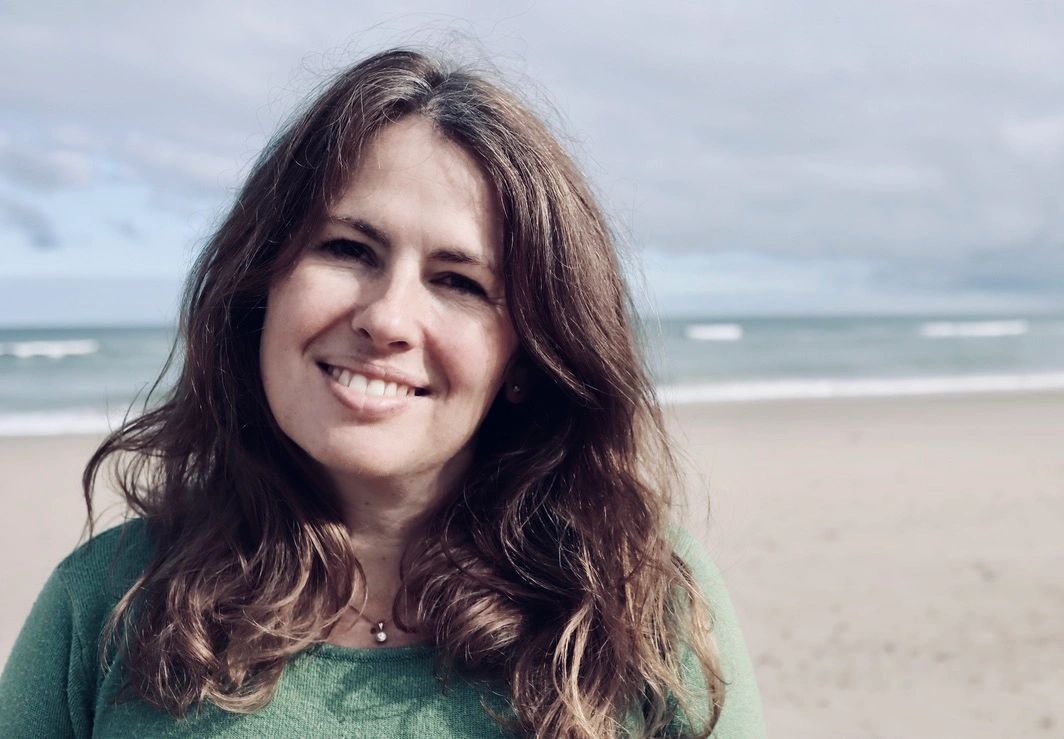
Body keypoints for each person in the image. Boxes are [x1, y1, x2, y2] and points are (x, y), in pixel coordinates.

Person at [0, 49, 764, 737]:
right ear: (259, 284)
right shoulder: (107, 603)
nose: (388, 318)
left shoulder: (635, 603)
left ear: (529, 355)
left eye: (458, 282)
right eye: (347, 249)